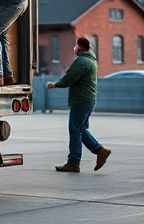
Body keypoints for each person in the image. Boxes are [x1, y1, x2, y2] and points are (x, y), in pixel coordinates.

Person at [47, 37, 111, 172]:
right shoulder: (91, 60)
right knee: (80, 129)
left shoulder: (82, 61)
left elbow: (70, 78)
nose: (74, 48)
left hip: (81, 100)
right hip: (87, 100)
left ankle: (75, 162)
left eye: (76, 46)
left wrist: (56, 84)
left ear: (81, 47)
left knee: (75, 129)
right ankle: (99, 151)